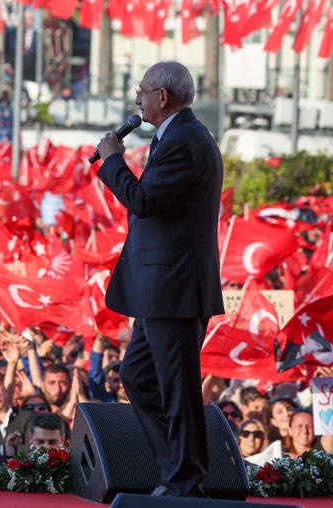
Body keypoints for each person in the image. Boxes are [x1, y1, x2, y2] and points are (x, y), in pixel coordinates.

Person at [94, 61, 224, 498]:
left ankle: (184, 481)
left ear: (163, 97)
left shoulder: (184, 141)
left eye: (142, 90)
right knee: (138, 375)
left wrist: (113, 161)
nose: (137, 99)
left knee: (178, 386)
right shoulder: (176, 136)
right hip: (159, 291)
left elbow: (144, 201)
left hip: (175, 289)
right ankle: (175, 469)